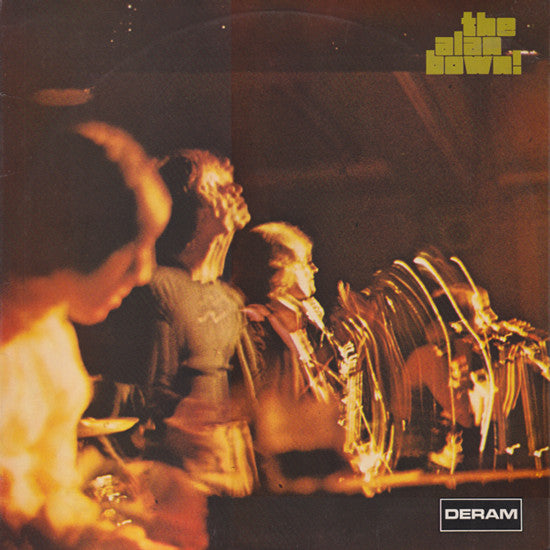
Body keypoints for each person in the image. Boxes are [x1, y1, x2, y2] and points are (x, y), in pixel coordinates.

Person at [0, 120, 202, 548]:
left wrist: (116, 533)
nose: (144, 272)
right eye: (133, 247)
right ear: (79, 239)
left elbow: (48, 495)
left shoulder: (53, 339)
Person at [78, 149, 257, 497]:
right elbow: (141, 403)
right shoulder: (158, 289)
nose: (235, 192)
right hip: (174, 487)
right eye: (219, 187)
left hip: (223, 482)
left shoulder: (229, 299)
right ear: (192, 206)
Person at [232, 222, 348, 485]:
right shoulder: (253, 327)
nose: (314, 269)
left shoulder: (302, 324)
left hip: (312, 467)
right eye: (305, 261)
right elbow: (262, 410)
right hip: (280, 473)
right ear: (278, 269)